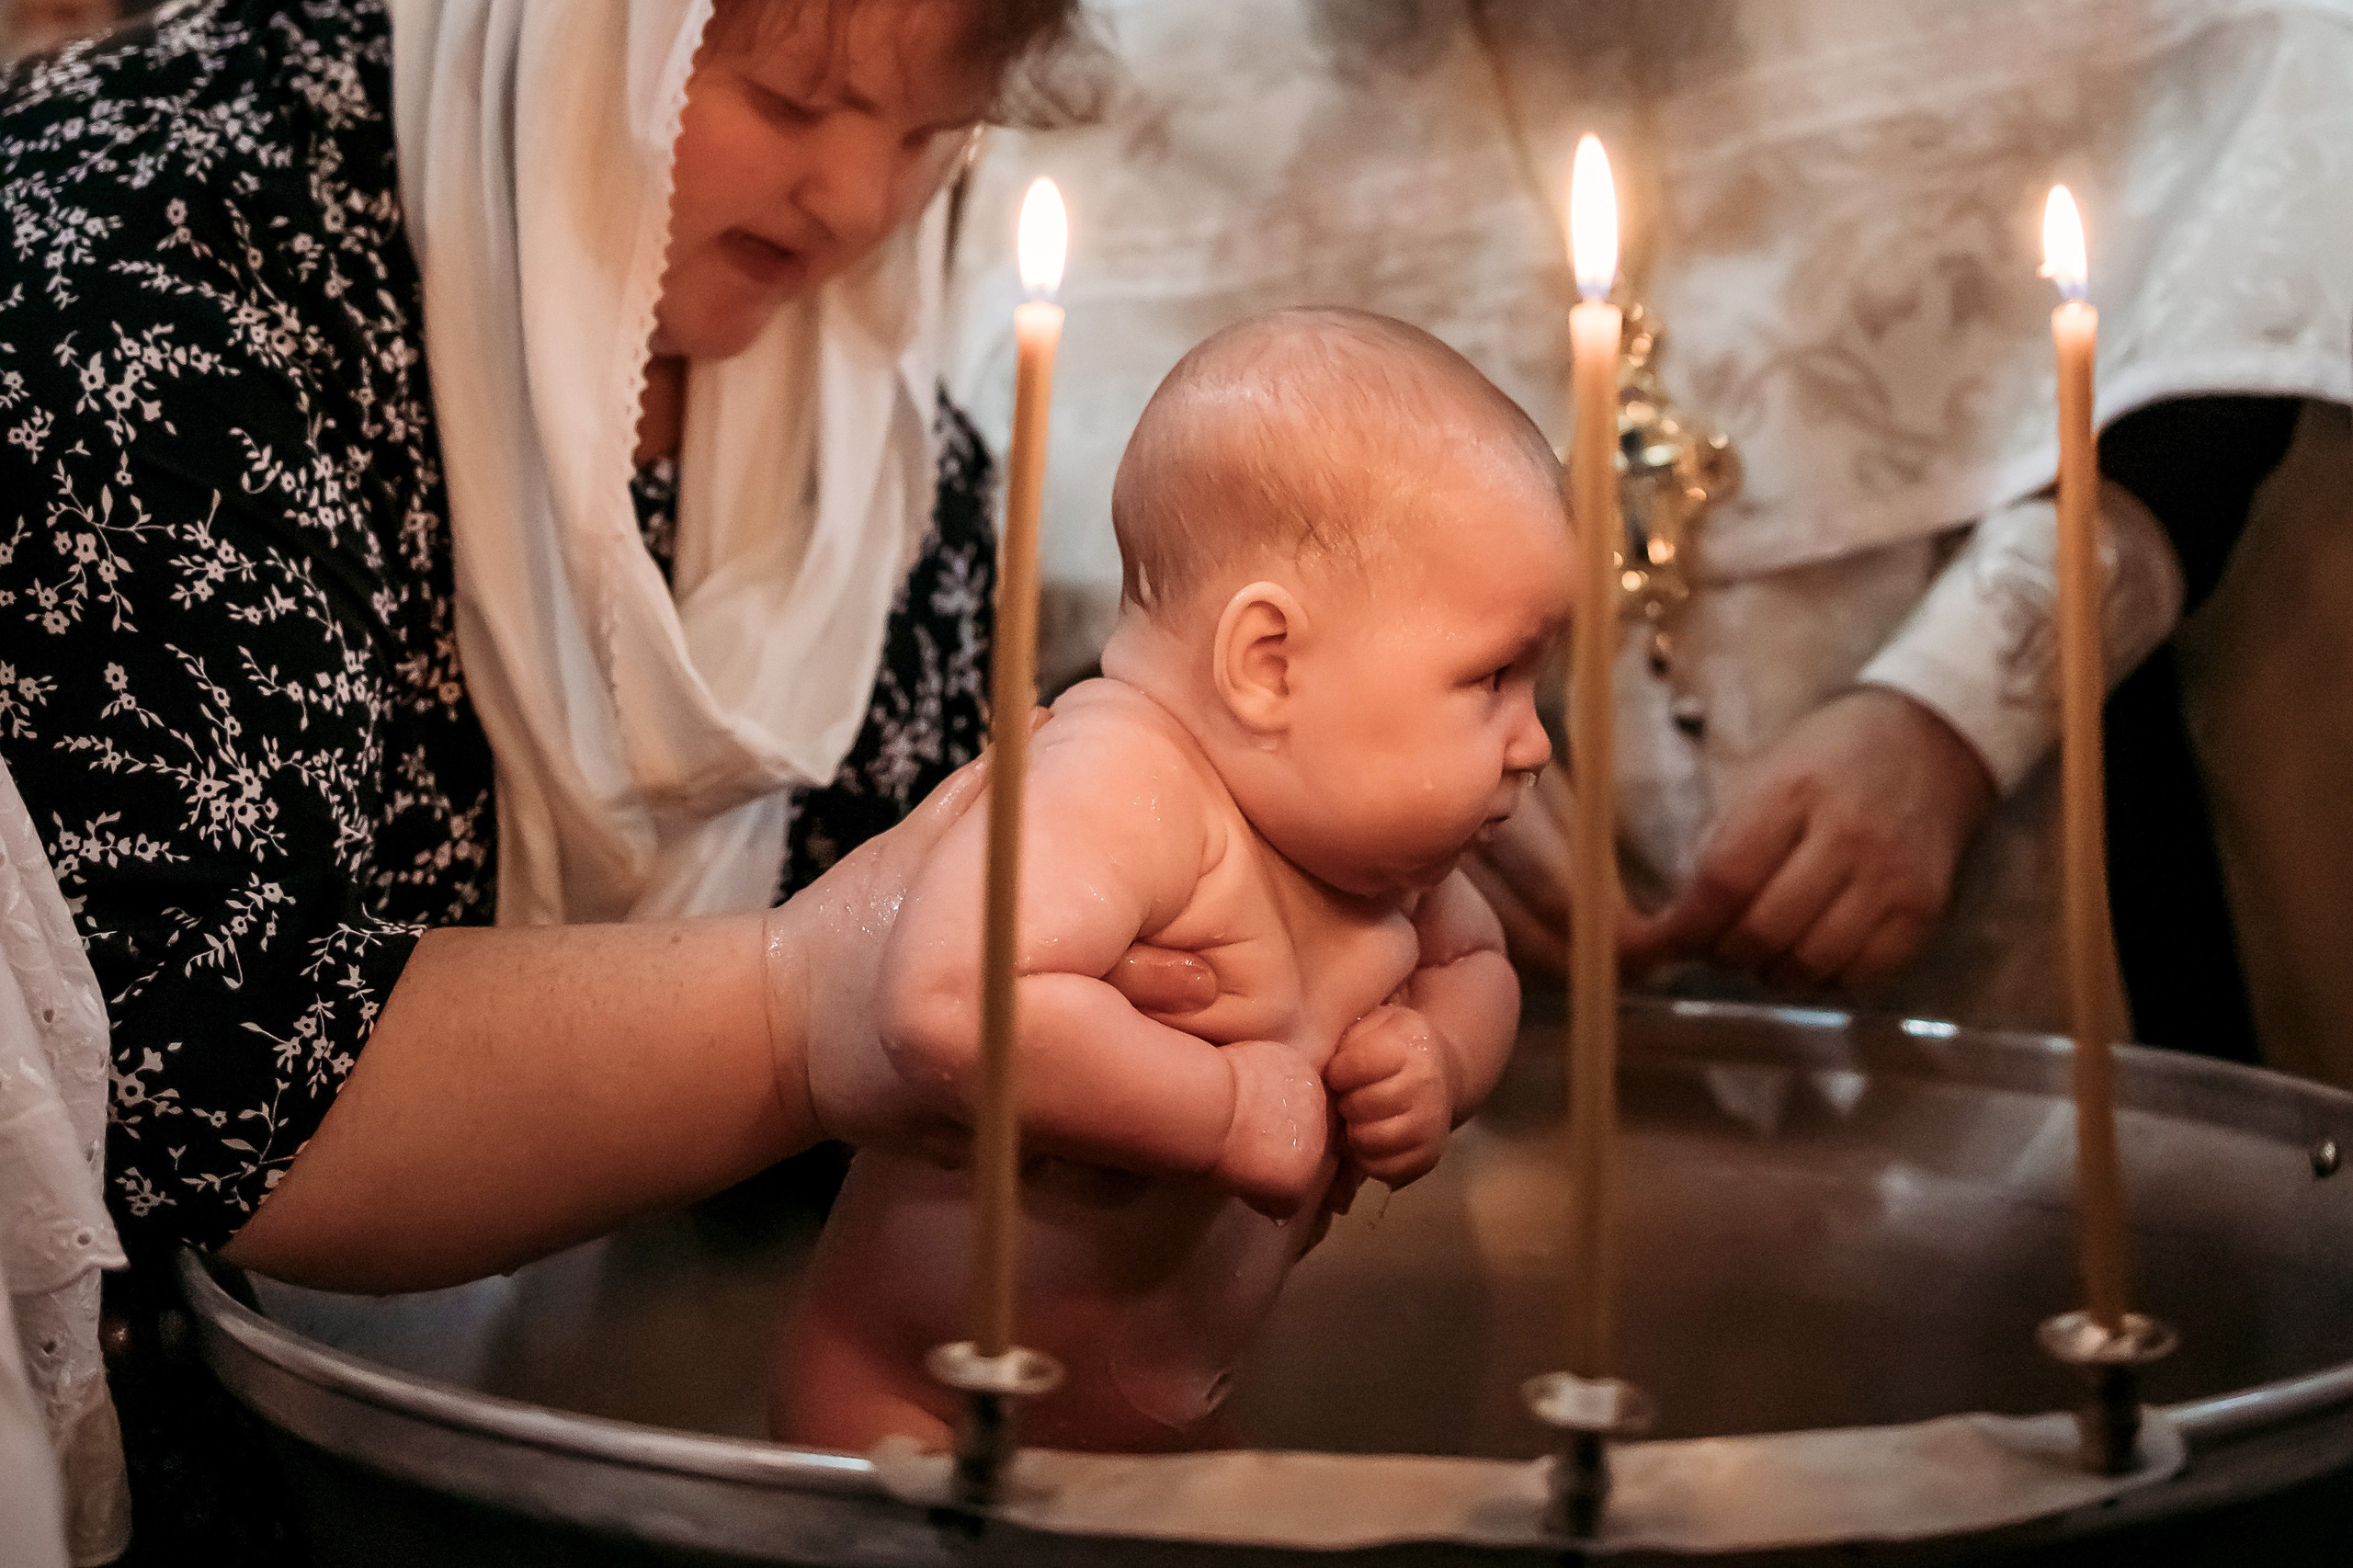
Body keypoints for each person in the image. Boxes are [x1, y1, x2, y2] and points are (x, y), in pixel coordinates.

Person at [0, 0, 1209, 1557]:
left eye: (927, 135)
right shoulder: (144, 278)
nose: (856, 205)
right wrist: (811, 1003)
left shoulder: (870, 414)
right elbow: (223, 1085)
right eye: (788, 99)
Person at [945, 0, 2353, 1051]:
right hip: (1398, 1026)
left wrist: (1950, 718)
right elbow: (1068, 550)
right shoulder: (1121, 48)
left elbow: (2226, 293)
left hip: (2032, 870)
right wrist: (1343, 768)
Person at [775, 309, 1536, 1453]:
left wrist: (1443, 1058)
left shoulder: (1375, 858)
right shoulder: (1125, 781)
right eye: (1493, 677)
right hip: (915, 1406)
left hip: (1161, 1416)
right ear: (1267, 663)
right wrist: (1220, 1109)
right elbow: (949, 1000)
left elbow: (1479, 963)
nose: (1533, 741)